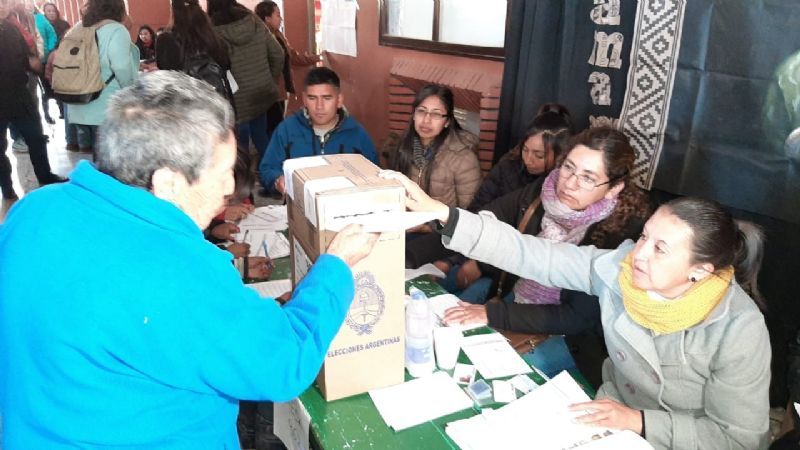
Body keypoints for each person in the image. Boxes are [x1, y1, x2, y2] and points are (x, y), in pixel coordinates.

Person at [0, 71, 378, 449]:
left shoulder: (33, 210)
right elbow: (285, 361)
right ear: (169, 183)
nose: (231, 187)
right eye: (223, 172)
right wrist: (336, 265)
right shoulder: (178, 269)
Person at [384, 173, 771, 450]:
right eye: (644, 237)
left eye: (660, 249)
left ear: (700, 270)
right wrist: (444, 215)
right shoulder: (618, 270)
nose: (638, 255)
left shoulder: (738, 330)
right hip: (605, 418)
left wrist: (638, 421)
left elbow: (737, 438)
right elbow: (532, 254)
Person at [438, 128, 652, 386]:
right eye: (569, 168)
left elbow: (577, 316)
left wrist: (493, 313)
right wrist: (427, 227)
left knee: (500, 377)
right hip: (517, 297)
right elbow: (481, 222)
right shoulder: (544, 191)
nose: (570, 183)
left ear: (613, 188)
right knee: (450, 329)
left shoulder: (623, 234)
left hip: (571, 336)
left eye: (587, 178)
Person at [260, 66, 379, 195]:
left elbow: (376, 176)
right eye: (312, 98)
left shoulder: (356, 134)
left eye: (327, 98)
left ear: (339, 100)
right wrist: (277, 180)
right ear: (304, 99)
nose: (319, 106)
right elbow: (267, 169)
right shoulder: (287, 130)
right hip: (299, 208)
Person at [0, 0, 63, 199]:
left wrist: (34, 64)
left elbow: (26, 57)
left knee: (36, 137)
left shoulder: (11, 28)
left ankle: (45, 176)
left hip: (19, 93)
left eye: (5, 2)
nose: (2, 6)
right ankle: (6, 187)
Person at [208, 0, 284, 157]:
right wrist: (270, 79)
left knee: (239, 144)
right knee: (261, 136)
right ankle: (272, 176)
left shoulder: (211, 29)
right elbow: (278, 54)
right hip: (261, 91)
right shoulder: (254, 20)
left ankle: (244, 178)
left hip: (236, 98)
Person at [390, 84, 481, 211]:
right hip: (405, 224)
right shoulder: (403, 146)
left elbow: (468, 214)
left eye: (436, 114)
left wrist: (429, 227)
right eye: (421, 111)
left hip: (440, 229)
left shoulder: (463, 159)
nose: (426, 120)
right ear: (414, 115)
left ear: (447, 122)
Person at [468, 103, 572, 212]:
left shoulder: (566, 186)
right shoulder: (505, 169)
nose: (527, 160)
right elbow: (475, 209)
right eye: (525, 150)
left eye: (539, 155)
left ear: (560, 155)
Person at [66, 0, 139, 155]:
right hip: (106, 101)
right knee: (115, 154)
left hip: (79, 99)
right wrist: (132, 90)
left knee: (99, 152)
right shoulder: (116, 30)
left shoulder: (77, 28)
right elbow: (121, 66)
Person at [254, 0, 321, 140]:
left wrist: (316, 58)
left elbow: (292, 57)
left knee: (276, 125)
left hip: (281, 90)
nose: (281, 19)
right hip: (268, 92)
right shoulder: (259, 39)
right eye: (277, 15)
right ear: (267, 18)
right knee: (272, 128)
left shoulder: (278, 35)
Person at [155, 0, 230, 81]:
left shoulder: (165, 40)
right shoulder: (213, 37)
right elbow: (226, 64)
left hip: (186, 91)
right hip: (215, 92)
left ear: (173, 10)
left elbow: (167, 73)